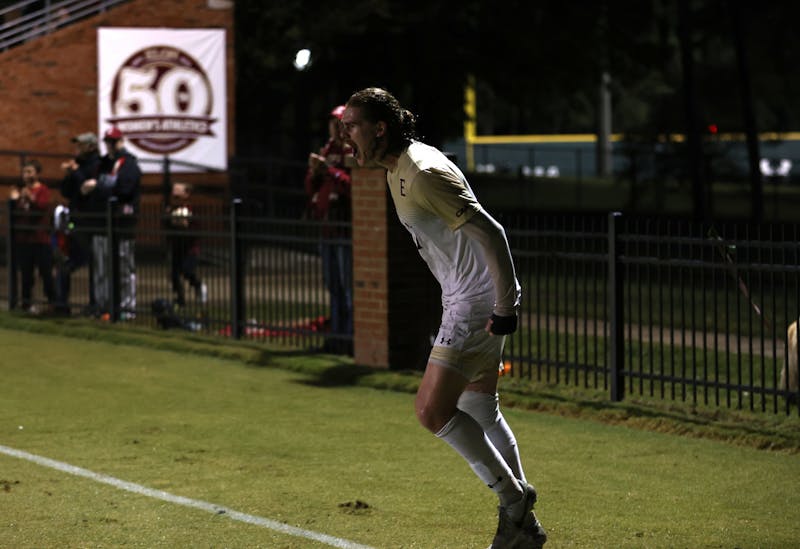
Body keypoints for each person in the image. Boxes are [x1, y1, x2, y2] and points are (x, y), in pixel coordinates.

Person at [342, 88, 547, 548]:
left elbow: (491, 232)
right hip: (469, 296)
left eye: (352, 126)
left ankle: (515, 502)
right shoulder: (397, 167)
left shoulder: (422, 172)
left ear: (380, 128)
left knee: (431, 411)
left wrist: (505, 307)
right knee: (479, 406)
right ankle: (524, 529)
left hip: (475, 302)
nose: (345, 136)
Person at [304, 104, 354, 353]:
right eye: (332, 123)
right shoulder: (328, 149)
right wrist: (314, 173)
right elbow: (311, 189)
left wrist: (330, 171)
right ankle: (336, 338)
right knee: (333, 287)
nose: (334, 128)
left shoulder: (352, 151)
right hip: (328, 228)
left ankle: (351, 340)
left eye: (339, 123)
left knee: (348, 288)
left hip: (345, 228)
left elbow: (353, 186)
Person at [83, 126, 141, 319]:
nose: (110, 145)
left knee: (123, 268)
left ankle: (127, 308)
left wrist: (98, 186)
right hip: (101, 223)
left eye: (113, 142)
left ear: (121, 141)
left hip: (122, 224)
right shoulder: (102, 164)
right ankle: (103, 306)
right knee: (101, 269)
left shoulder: (129, 163)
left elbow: (125, 189)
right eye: (108, 141)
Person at [58, 132, 102, 315]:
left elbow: (87, 189)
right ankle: (61, 304)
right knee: (67, 263)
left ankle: (94, 304)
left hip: (91, 221)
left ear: (91, 146)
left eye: (81, 145)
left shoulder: (97, 164)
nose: (77, 148)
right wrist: (70, 174)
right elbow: (66, 192)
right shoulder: (78, 164)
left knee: (94, 265)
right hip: (76, 220)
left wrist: (75, 172)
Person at [9, 159, 55, 313]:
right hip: (24, 239)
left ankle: (53, 303)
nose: (26, 175)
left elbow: (41, 207)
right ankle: (26, 304)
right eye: (24, 172)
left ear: (37, 173)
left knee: (46, 272)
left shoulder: (42, 190)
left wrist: (29, 197)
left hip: (40, 239)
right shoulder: (21, 191)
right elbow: (16, 214)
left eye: (29, 172)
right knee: (26, 274)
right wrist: (14, 201)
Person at [164, 181, 207, 307]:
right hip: (177, 246)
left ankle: (198, 285)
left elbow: (197, 228)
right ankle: (180, 299)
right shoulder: (171, 208)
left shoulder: (191, 208)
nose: (174, 193)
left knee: (187, 271)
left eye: (178, 190)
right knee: (174, 275)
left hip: (190, 247)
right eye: (173, 190)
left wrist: (186, 225)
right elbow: (166, 227)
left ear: (186, 194)